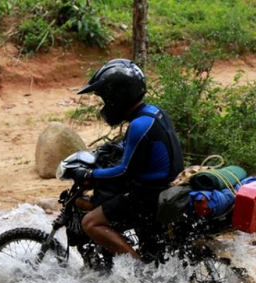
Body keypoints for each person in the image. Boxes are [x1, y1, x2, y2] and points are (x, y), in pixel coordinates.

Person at [66, 59, 184, 259]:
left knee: (91, 222)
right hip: (166, 186)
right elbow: (144, 147)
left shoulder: (139, 125)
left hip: (146, 196)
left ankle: (136, 266)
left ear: (117, 97)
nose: (105, 105)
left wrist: (89, 173)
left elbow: (123, 171)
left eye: (105, 98)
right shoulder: (154, 113)